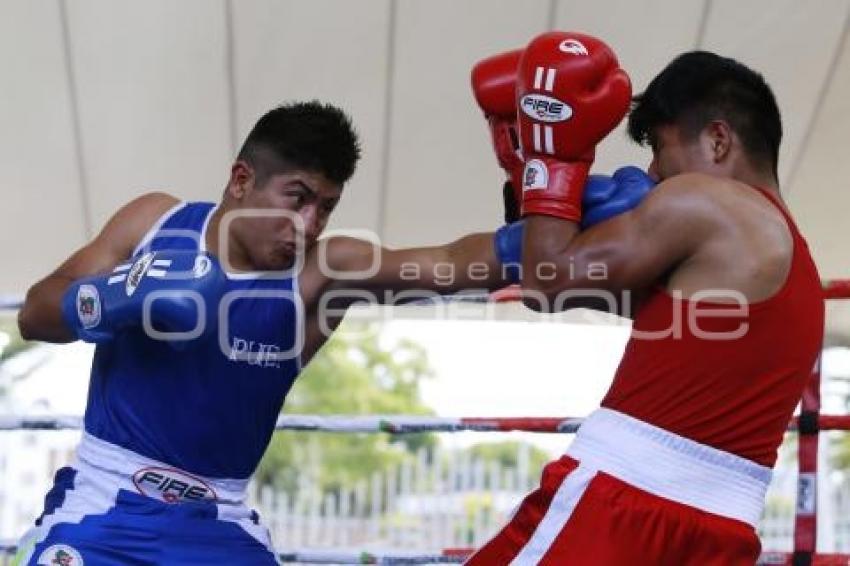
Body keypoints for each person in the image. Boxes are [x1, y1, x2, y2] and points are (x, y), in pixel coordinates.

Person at [14, 100, 521, 565]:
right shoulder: (154, 223)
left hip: (220, 524)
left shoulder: (321, 274)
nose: (309, 223)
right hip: (102, 507)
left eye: (325, 206)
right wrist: (115, 295)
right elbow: (33, 315)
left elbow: (450, 264)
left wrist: (542, 203)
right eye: (297, 198)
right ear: (241, 180)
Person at [467, 35, 824, 565]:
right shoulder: (793, 265)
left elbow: (548, 282)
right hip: (722, 533)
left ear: (718, 140)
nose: (654, 173)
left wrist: (550, 154)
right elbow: (584, 285)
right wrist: (529, 188)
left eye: (659, 147)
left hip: (621, 510)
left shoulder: (707, 202)